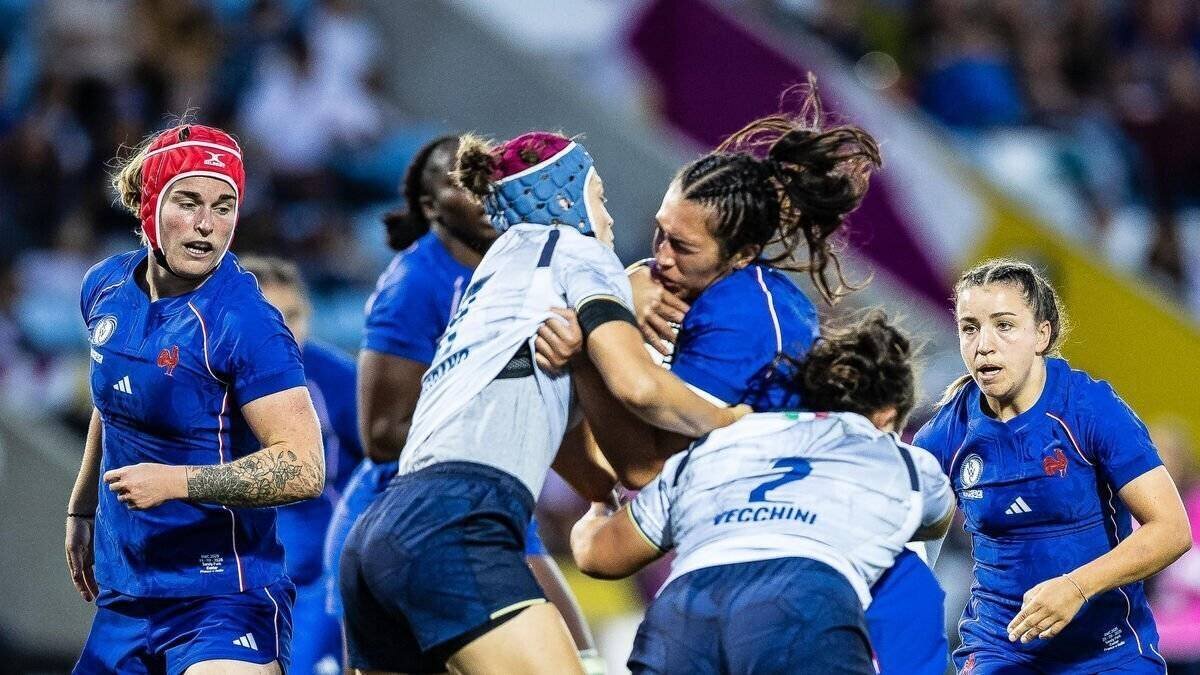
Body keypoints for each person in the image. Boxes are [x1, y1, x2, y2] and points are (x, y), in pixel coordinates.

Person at [338, 131, 749, 675]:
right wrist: (732, 423)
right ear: (565, 199)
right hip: (456, 522)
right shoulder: (575, 249)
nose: (608, 216)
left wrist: (603, 496)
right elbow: (638, 386)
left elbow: (582, 461)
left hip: (377, 536)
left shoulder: (494, 279)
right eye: (599, 196)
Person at [579, 78, 947, 674]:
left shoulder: (745, 319)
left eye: (682, 246)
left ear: (742, 253)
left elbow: (645, 468)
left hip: (839, 583)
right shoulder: (699, 291)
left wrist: (597, 333)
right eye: (660, 232)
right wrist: (622, 299)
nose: (660, 256)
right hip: (760, 567)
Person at [319, 135, 603, 672]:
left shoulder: (517, 270)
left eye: (486, 177)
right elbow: (380, 435)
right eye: (461, 183)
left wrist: (605, 493)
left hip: (484, 508)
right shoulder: (415, 281)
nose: (481, 191)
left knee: (584, 656)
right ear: (432, 208)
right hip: (423, 511)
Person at [65, 123, 325, 674]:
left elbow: (304, 467)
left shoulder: (245, 323)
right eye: (188, 202)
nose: (207, 224)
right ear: (149, 205)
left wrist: (178, 482)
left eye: (224, 207)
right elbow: (112, 403)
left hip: (223, 600)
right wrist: (82, 506)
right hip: (125, 596)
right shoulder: (105, 286)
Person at [571, 311, 955, 675]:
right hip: (804, 602)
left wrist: (600, 502)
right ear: (887, 416)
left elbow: (599, 556)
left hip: (682, 615)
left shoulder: (718, 444)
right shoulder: (900, 459)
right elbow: (935, 523)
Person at [914, 258, 1192, 674]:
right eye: (970, 328)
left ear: (1041, 335)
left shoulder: (1089, 409)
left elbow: (1171, 530)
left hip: (1108, 652)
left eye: (1004, 325)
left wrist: (1077, 587)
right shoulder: (945, 436)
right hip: (1000, 650)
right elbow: (914, 551)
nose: (983, 344)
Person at [240, 256, 361, 675]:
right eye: (271, 318)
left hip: (318, 580)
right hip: (240, 577)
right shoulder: (208, 383)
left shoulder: (338, 379)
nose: (286, 330)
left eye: (294, 316)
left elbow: (385, 463)